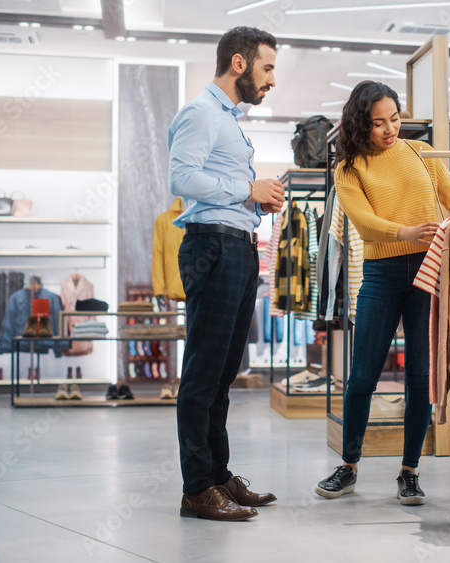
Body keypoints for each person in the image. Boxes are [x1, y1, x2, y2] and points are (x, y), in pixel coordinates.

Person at [315, 81, 450, 504]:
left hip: (429, 270)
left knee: (420, 377)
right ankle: (348, 466)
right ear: (360, 124)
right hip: (380, 274)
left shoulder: (421, 153)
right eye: (378, 123)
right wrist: (404, 231)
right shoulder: (349, 168)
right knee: (362, 375)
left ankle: (410, 471)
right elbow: (364, 223)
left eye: (395, 119)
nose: (389, 130)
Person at [168, 26, 285, 522]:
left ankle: (217, 475)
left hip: (235, 246)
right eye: (267, 68)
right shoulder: (200, 112)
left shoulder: (228, 119)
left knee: (221, 377)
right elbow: (181, 177)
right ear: (239, 64)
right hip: (212, 246)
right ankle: (197, 489)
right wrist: (247, 189)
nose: (271, 80)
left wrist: (257, 195)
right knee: (202, 375)